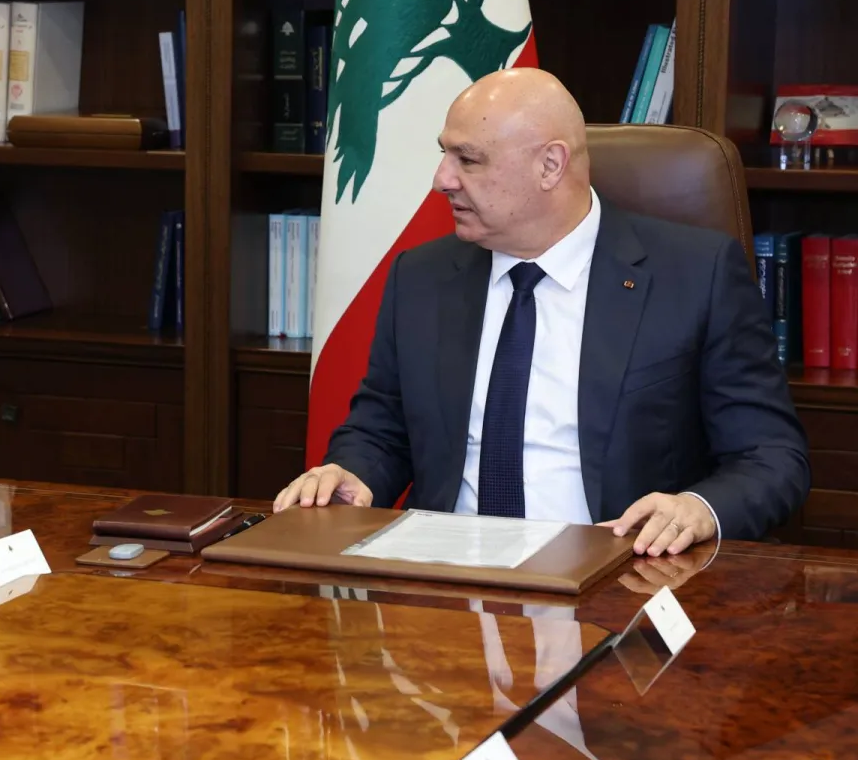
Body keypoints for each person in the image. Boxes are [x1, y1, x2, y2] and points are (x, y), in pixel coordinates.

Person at [273, 67, 809, 557]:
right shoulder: (423, 277)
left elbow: (772, 458)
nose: (442, 178)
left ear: (550, 165)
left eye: (468, 159)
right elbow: (382, 429)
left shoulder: (695, 275)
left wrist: (697, 508)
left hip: (617, 580)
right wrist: (352, 473)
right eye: (444, 154)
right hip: (448, 588)